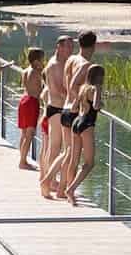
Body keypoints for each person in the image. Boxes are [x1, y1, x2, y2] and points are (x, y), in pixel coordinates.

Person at [52, 31, 97, 195]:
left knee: (69, 153)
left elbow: (66, 82)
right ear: (94, 45)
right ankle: (66, 189)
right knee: (73, 156)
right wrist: (82, 98)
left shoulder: (71, 59)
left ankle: (63, 189)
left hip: (65, 108)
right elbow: (72, 85)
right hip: (74, 112)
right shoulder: (85, 64)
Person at [60, 64, 104, 206]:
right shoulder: (95, 88)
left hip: (76, 122)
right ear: (99, 77)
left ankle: (70, 193)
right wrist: (101, 102)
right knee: (89, 163)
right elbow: (96, 106)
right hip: (87, 124)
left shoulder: (82, 88)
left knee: (74, 160)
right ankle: (71, 189)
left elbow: (74, 107)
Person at [39, 36, 74, 197]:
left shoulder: (61, 63)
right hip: (57, 109)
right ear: (59, 47)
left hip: (56, 108)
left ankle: (47, 177)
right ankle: (50, 181)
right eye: (67, 46)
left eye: (72, 46)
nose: (70, 50)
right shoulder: (55, 65)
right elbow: (61, 90)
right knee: (55, 146)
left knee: (52, 147)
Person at [16, 48, 45, 171]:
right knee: (30, 133)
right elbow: (42, 88)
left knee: (23, 133)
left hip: (23, 100)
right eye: (42, 59)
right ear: (37, 60)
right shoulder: (37, 72)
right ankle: (23, 162)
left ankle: (22, 158)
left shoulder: (25, 70)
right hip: (32, 102)